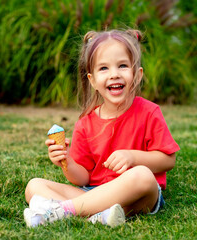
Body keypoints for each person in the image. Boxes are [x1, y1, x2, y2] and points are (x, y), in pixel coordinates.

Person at [23, 28, 180, 228]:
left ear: (137, 74)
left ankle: (61, 211)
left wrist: (133, 158)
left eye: (122, 66)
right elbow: (83, 177)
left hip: (137, 196)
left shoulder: (149, 112)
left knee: (143, 175)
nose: (114, 74)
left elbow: (168, 160)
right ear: (92, 81)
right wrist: (66, 161)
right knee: (34, 186)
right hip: (92, 193)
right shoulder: (85, 123)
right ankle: (99, 216)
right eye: (104, 68)